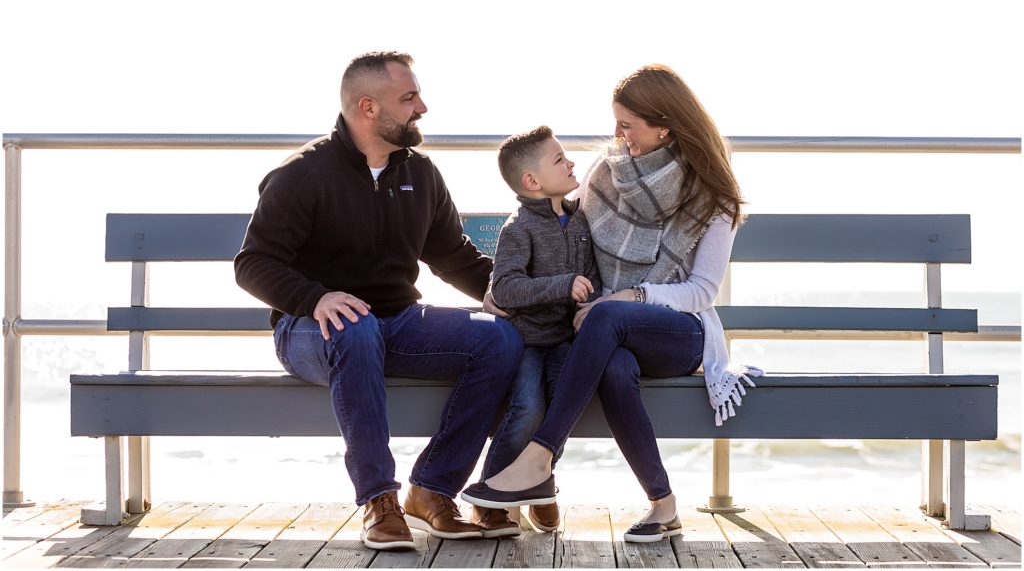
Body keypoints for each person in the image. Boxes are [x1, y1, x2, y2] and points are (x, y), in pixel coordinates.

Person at [234, 51, 523, 551]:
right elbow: (253, 264)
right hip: (311, 330)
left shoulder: (422, 175)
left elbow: (454, 257)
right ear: (368, 107)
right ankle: (378, 500)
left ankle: (431, 491)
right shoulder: (303, 175)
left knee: (499, 340)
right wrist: (316, 297)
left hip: (398, 324)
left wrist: (514, 297)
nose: (423, 108)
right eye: (408, 98)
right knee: (355, 326)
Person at [461, 64, 762, 542]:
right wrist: (500, 289)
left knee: (609, 315)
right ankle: (663, 505)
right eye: (617, 123)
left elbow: (703, 291)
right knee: (616, 364)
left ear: (665, 125)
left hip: (678, 332)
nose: (618, 136)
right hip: (606, 333)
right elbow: (555, 225)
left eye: (628, 125)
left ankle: (540, 458)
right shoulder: (606, 173)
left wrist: (635, 296)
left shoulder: (713, 196)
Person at [471, 126, 603, 538]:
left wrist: (592, 301)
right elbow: (506, 287)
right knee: (528, 407)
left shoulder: (580, 219)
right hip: (525, 340)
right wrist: (562, 284)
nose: (571, 163)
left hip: (564, 339)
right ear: (532, 181)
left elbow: (592, 276)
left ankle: (538, 485)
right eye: (560, 160)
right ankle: (491, 498)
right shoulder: (519, 229)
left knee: (564, 403)